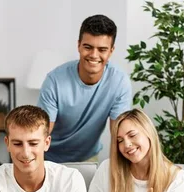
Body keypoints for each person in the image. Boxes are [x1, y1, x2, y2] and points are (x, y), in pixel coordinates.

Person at [37, 14, 132, 163]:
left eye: (102, 49)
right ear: (79, 45)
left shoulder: (119, 82)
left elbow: (119, 134)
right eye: (88, 47)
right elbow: (41, 133)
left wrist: (117, 174)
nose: (94, 55)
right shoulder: (54, 80)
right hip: (49, 158)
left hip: (88, 158)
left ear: (111, 51)